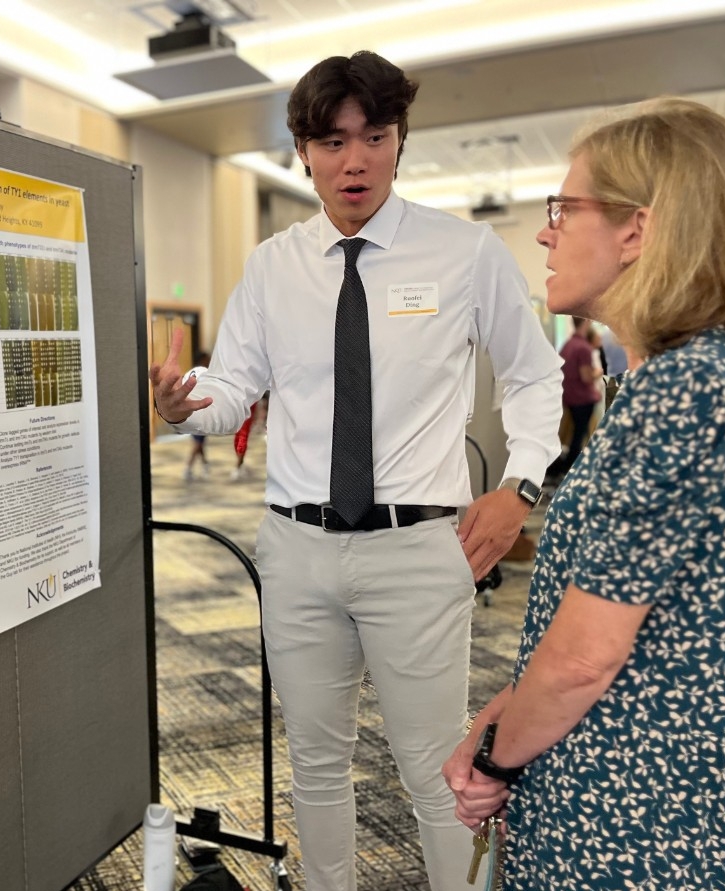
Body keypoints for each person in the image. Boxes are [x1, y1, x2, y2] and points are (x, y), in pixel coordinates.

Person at [149, 51, 562, 891]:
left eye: (376, 135)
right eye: (334, 141)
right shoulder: (272, 267)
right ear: (303, 150)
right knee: (317, 761)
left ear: (400, 140)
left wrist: (520, 486)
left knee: (433, 766)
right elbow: (235, 389)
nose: (356, 160)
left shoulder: (465, 252)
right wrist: (186, 406)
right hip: (296, 549)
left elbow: (534, 371)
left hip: (417, 551)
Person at [443, 97, 725, 890]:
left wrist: (493, 755)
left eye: (566, 207)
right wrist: (505, 716)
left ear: (638, 229)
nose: (545, 230)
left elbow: (584, 659)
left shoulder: (686, 390)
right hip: (673, 798)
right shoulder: (703, 379)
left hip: (634, 822)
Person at [548, 316, 602, 480]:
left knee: (574, 435)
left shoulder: (568, 345)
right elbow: (586, 377)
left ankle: (563, 469)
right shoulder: (583, 348)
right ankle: (570, 471)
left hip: (570, 397)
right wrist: (597, 373)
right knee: (579, 437)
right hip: (583, 399)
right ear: (586, 322)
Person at [183, 351, 212, 481]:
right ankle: (188, 468)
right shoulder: (198, 377)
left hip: (200, 413)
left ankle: (205, 465)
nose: (209, 361)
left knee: (199, 442)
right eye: (207, 359)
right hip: (196, 414)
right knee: (198, 443)